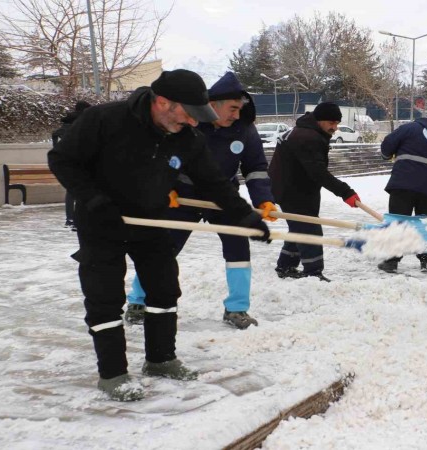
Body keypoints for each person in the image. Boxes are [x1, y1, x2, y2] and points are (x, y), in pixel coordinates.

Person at [48, 69, 271, 402]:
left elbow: (213, 182)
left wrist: (244, 215)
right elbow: (62, 160)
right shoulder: (105, 120)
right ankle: (113, 374)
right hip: (102, 221)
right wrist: (93, 199)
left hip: (151, 220)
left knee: (165, 288)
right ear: (163, 102)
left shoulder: (186, 136)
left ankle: (160, 360)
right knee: (105, 297)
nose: (195, 124)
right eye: (190, 115)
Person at [124, 71, 275, 330]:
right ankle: (138, 300)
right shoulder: (189, 122)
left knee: (239, 250)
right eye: (233, 108)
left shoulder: (245, 130)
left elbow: (256, 168)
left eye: (240, 109)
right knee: (163, 249)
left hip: (223, 197)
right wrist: (166, 188)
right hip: (183, 196)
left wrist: (264, 201)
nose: (237, 115)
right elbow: (165, 158)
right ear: (213, 105)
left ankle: (237, 309)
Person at [268, 102, 360, 282]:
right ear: (319, 120)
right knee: (309, 228)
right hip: (293, 189)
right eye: (331, 123)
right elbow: (318, 172)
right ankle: (313, 273)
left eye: (337, 123)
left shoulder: (304, 131)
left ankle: (286, 265)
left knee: (299, 226)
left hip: (291, 186)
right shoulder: (308, 137)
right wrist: (345, 192)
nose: (335, 128)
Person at [377, 105, 427, 273]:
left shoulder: (410, 128)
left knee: (399, 221)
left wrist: (387, 154)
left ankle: (391, 261)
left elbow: (388, 143)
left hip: (403, 183)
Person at [52, 100, 91, 231]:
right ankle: (78, 219)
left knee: (71, 192)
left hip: (68, 163)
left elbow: (55, 141)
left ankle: (70, 218)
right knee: (84, 191)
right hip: (82, 162)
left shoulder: (63, 126)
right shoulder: (83, 123)